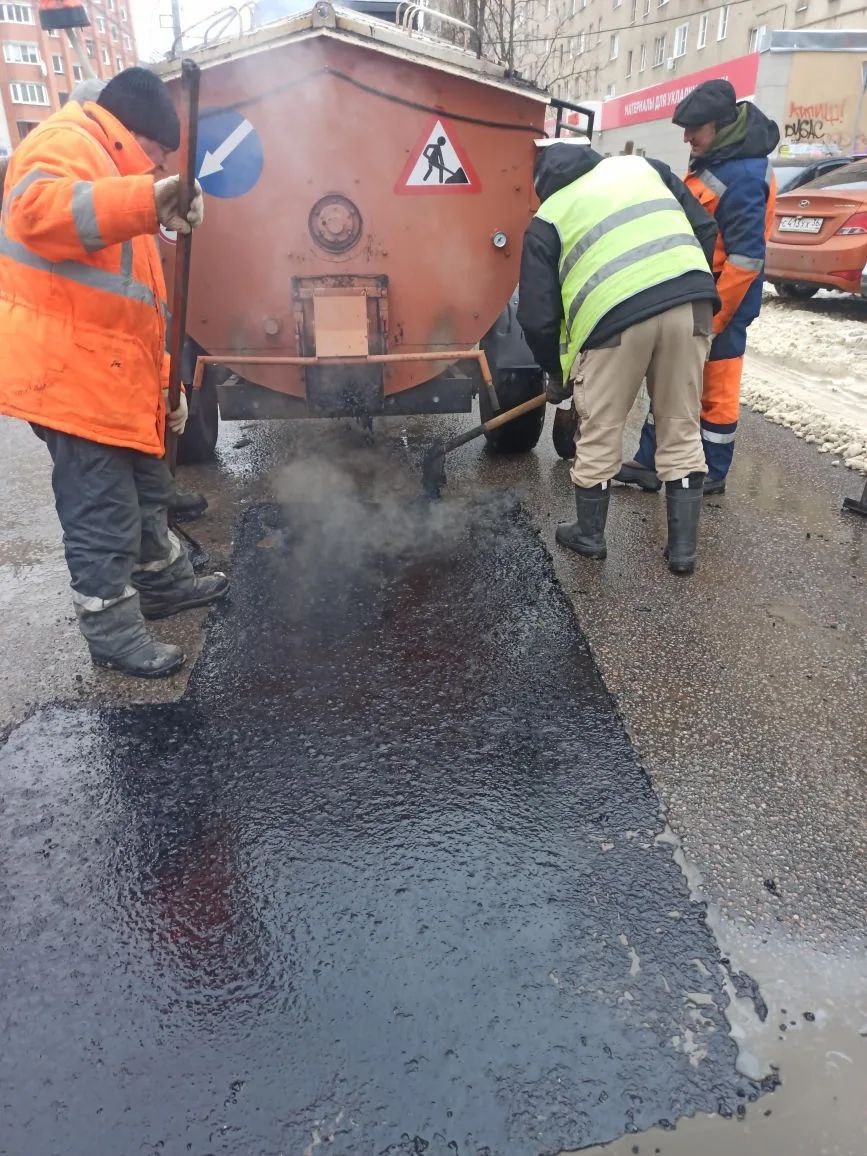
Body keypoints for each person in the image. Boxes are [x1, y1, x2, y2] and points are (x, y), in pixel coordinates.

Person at [0, 67, 228, 677]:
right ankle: (112, 631)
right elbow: (35, 212)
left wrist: (167, 391)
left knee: (150, 491)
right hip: (71, 381)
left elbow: (134, 309)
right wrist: (147, 199)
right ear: (131, 132)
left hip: (114, 375)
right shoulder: (65, 143)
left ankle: (162, 583)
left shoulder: (113, 168)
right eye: (155, 155)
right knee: (102, 511)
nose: (156, 169)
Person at [517, 139, 719, 574]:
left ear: (544, 186)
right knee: (681, 425)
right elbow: (705, 228)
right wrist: (677, 288)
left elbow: (537, 316)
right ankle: (683, 552)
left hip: (615, 322)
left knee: (600, 426)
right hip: (693, 304)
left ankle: (590, 536)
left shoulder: (548, 218)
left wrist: (556, 372)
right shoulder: (645, 168)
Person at [617, 80, 779, 495]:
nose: (687, 138)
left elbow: (745, 259)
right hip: (694, 293)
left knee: (715, 387)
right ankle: (652, 461)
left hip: (723, 302)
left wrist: (717, 316)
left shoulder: (743, 174)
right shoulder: (716, 159)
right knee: (671, 378)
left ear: (721, 126)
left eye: (695, 130)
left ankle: (711, 470)